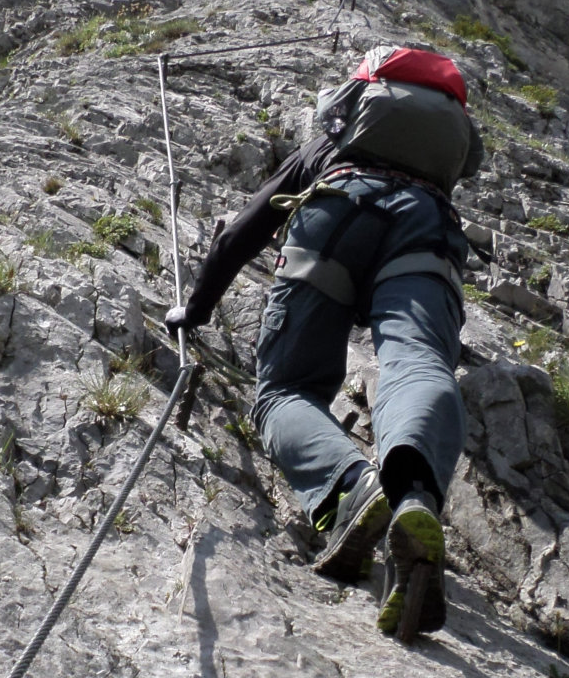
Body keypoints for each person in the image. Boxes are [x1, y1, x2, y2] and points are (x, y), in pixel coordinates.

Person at [166, 45, 484, 641]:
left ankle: (352, 488)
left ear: (356, 102)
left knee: (284, 391)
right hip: (425, 225)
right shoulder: (434, 162)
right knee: (418, 361)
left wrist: (197, 309)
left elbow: (243, 230)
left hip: (334, 213)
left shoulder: (329, 146)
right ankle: (413, 495)